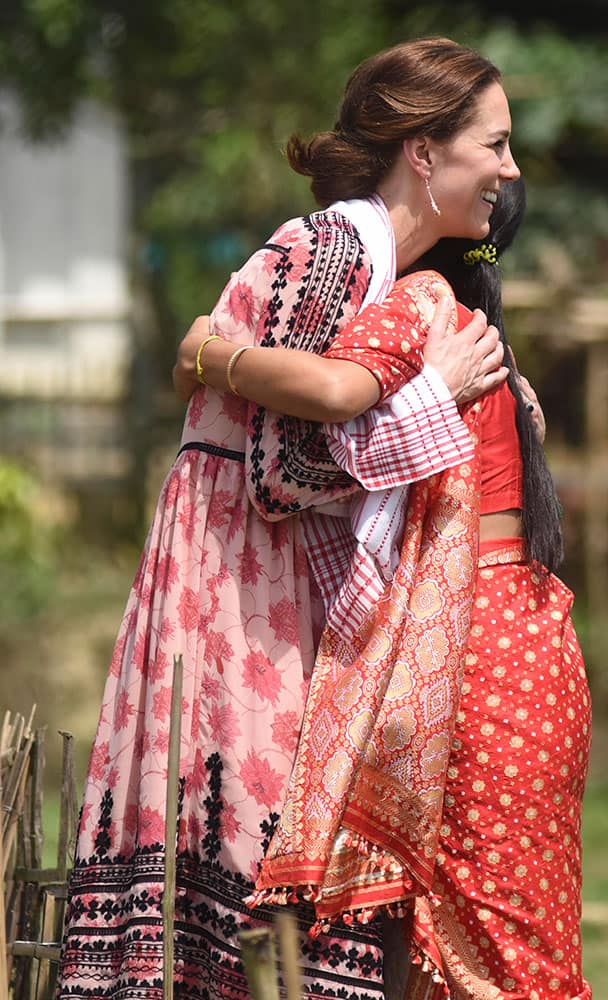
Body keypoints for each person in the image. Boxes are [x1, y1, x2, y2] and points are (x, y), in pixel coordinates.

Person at [57, 37, 521, 1000]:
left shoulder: (373, 263)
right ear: (424, 153)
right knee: (252, 869)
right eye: (498, 143)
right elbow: (280, 468)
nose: (512, 169)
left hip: (252, 573)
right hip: (240, 589)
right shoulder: (340, 249)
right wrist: (435, 395)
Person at [246, 177, 592, 1000]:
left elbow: (329, 398)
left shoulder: (418, 305)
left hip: (474, 649)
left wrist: (212, 357)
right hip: (535, 640)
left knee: (493, 950)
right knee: (522, 937)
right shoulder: (491, 346)